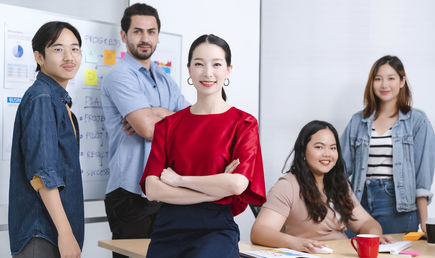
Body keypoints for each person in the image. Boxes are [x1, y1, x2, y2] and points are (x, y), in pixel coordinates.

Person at [139, 34, 266, 257]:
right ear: (189, 69)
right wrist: (216, 191)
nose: (208, 73)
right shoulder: (168, 126)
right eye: (199, 64)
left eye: (217, 64)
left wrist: (179, 180)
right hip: (167, 230)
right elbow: (153, 189)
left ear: (228, 70)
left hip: (215, 231)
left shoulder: (243, 124)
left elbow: (236, 185)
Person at [101, 4, 189, 255]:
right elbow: (148, 129)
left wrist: (157, 112)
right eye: (137, 31)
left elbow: (195, 126)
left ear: (158, 36)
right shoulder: (119, 76)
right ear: (123, 35)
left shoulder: (166, 81)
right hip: (130, 194)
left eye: (151, 32)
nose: (145, 38)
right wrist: (158, 118)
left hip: (166, 192)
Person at [251, 120, 391, 253]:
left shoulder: (339, 185)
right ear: (303, 151)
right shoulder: (287, 186)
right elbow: (260, 231)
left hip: (340, 253)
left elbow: (366, 222)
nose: (327, 154)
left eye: (333, 148)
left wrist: (373, 237)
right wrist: (296, 243)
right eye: (319, 147)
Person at [9, 21, 84, 258]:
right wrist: (65, 233)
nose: (69, 57)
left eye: (75, 48)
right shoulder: (42, 98)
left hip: (50, 231)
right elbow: (42, 172)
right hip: (42, 233)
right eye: (58, 49)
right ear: (39, 57)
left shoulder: (58, 100)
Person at [340, 55, 435, 234]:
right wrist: (339, 209)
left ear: (402, 81)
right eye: (378, 79)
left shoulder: (417, 121)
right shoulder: (357, 121)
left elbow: (422, 178)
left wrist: (425, 223)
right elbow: (339, 170)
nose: (384, 85)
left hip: (398, 207)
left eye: (391, 78)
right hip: (359, 203)